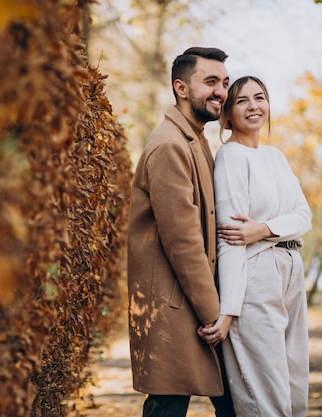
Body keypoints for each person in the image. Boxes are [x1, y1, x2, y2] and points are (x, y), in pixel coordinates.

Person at [127, 47, 235, 417]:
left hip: (192, 306)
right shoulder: (170, 145)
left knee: (232, 403)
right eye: (210, 82)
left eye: (224, 82)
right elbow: (183, 241)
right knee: (167, 407)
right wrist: (214, 314)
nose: (221, 91)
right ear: (182, 88)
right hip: (178, 309)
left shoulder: (195, 139)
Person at [200, 73, 312, 417]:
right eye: (242, 100)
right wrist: (229, 310)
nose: (253, 106)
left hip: (291, 269)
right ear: (228, 114)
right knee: (267, 393)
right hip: (257, 277)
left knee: (295, 385)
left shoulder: (275, 156)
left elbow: (303, 215)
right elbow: (231, 240)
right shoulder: (230, 157)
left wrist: (263, 228)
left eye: (259, 97)